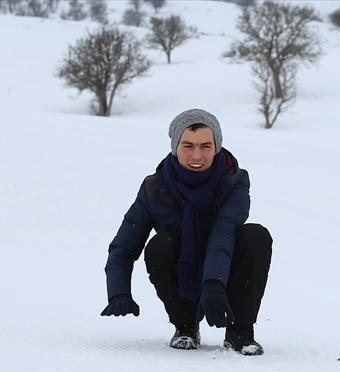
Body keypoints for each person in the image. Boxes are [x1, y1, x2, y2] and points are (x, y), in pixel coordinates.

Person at [99, 108, 273, 354]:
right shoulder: (155, 186)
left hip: (225, 265)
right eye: (188, 145)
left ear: (217, 146)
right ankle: (186, 325)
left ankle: (240, 331)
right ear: (175, 146)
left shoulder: (233, 180)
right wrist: (119, 292)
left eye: (205, 146)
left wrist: (214, 282)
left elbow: (223, 233)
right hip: (181, 267)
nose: (197, 155)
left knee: (255, 236)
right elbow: (124, 245)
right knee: (160, 245)